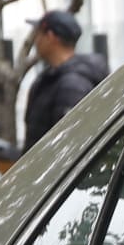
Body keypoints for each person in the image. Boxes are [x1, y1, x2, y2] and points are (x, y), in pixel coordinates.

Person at [21, 10, 107, 148]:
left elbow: (70, 145)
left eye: (38, 35)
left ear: (50, 37)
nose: (35, 41)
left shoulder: (72, 85)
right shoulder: (49, 79)